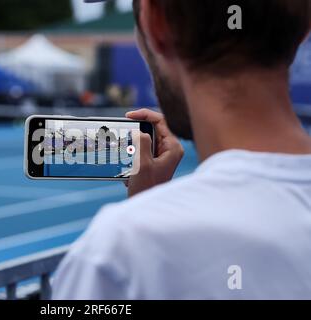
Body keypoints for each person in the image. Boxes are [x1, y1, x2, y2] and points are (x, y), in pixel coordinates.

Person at [52, 0, 311, 299]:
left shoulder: (119, 255)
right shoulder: (135, 244)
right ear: (305, 27)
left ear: (156, 23)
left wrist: (144, 217)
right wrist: (148, 206)